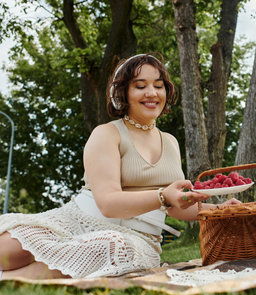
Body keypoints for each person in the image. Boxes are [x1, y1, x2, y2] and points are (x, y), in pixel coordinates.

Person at [0, 53, 240, 280]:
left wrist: (217, 210)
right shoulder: (107, 134)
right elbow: (107, 203)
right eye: (140, 85)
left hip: (135, 239)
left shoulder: (170, 142)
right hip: (78, 220)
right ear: (123, 92)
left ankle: (10, 281)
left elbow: (175, 207)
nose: (152, 93)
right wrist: (162, 196)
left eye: (158, 85)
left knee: (112, 246)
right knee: (7, 249)